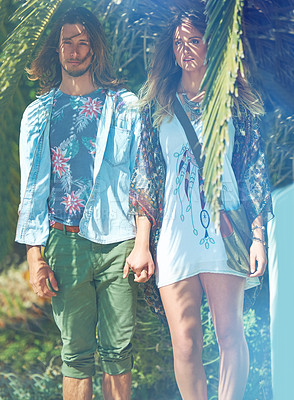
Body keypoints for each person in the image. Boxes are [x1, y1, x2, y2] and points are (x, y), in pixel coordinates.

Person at [124, 7, 273, 400]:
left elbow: (253, 175)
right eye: (178, 42)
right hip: (175, 236)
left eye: (193, 40)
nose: (185, 49)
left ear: (213, 45)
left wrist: (257, 237)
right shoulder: (158, 104)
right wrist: (142, 245)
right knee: (186, 343)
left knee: (229, 334)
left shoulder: (236, 102)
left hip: (225, 232)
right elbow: (145, 178)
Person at [15, 7, 141, 400]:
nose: (74, 50)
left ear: (95, 48)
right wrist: (35, 257)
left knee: (118, 352)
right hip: (64, 243)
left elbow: (141, 178)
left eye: (82, 42)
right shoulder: (38, 114)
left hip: (118, 240)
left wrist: (141, 243)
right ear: (56, 48)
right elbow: (31, 191)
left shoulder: (125, 105)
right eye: (67, 42)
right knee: (76, 355)